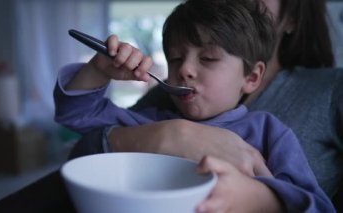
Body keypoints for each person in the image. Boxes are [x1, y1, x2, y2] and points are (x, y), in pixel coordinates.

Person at [54, 0, 335, 211]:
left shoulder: (269, 133)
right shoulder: (154, 119)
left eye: (209, 58)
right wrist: (98, 70)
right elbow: (76, 115)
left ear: (251, 77)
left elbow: (317, 206)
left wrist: (258, 197)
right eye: (175, 59)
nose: (185, 69)